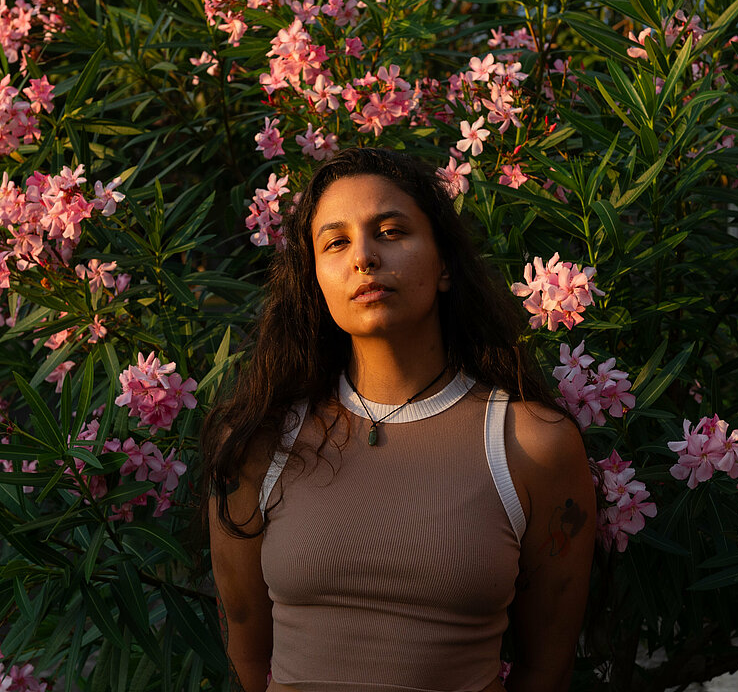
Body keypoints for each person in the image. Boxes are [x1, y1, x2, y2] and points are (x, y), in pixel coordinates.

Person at [202, 147, 595, 692]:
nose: (363, 257)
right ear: (315, 279)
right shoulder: (257, 444)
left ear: (444, 268)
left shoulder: (530, 446)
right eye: (335, 242)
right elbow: (246, 651)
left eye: (390, 231)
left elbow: (547, 667)